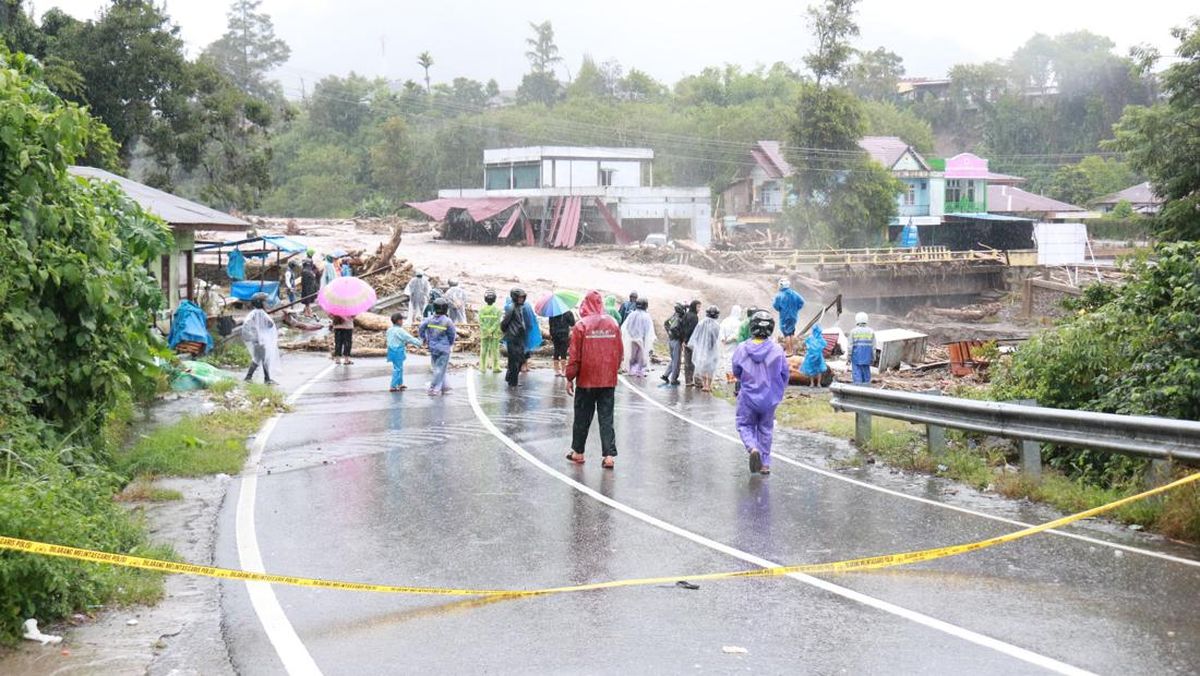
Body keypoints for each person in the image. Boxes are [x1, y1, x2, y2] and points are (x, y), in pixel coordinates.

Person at [565, 290, 624, 469]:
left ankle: (578, 452)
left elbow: (574, 356)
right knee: (607, 418)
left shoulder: (581, 325)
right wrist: (613, 370)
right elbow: (619, 352)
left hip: (586, 380)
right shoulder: (613, 323)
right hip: (607, 379)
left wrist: (570, 377)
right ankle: (609, 456)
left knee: (582, 417)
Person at [731, 312, 789, 475]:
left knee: (744, 424)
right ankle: (765, 464)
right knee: (766, 429)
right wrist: (777, 390)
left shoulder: (742, 348)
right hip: (770, 398)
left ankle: (753, 448)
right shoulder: (777, 349)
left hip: (748, 396)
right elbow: (785, 373)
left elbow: (736, 371)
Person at [419, 297, 456, 396]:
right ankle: (434, 388)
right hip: (444, 349)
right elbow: (452, 335)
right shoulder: (447, 321)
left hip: (433, 348)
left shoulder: (429, 319)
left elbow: (421, 327)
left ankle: (444, 386)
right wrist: (450, 344)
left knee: (437, 368)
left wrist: (424, 338)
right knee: (440, 369)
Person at [241, 293, 279, 385]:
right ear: (260, 303)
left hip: (256, 339)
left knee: (261, 358)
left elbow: (247, 325)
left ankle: (263, 378)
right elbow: (270, 324)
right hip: (259, 339)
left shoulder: (253, 313)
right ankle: (256, 378)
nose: (266, 304)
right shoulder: (260, 313)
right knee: (261, 358)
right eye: (264, 302)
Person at [688, 305, 723, 392]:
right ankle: (709, 386)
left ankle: (704, 385)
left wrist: (697, 346)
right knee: (711, 368)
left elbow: (696, 336)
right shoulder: (717, 325)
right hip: (713, 349)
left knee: (703, 366)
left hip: (702, 350)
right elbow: (718, 339)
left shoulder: (701, 323)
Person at [386, 311, 423, 391]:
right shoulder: (400, 330)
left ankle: (400, 383)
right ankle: (393, 386)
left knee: (398, 367)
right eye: (402, 320)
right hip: (397, 350)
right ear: (399, 321)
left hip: (391, 350)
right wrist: (419, 343)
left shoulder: (389, 330)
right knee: (398, 369)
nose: (402, 322)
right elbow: (408, 338)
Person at [501, 288, 529, 387]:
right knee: (515, 361)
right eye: (519, 297)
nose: (521, 299)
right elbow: (504, 323)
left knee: (520, 359)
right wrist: (509, 332)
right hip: (513, 338)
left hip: (518, 338)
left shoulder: (518, 307)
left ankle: (510, 378)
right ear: (515, 297)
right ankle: (513, 382)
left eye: (522, 297)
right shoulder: (511, 308)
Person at [621, 298, 655, 377]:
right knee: (641, 355)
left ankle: (631, 370)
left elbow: (627, 326)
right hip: (642, 339)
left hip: (633, 338)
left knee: (632, 355)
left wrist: (632, 335)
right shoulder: (646, 316)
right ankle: (639, 371)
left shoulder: (632, 314)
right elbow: (648, 328)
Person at [772, 278, 805, 355]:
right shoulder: (794, 293)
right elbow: (802, 302)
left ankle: (788, 351)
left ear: (781, 285)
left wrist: (780, 309)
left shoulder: (779, 295)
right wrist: (796, 309)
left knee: (786, 334)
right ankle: (792, 351)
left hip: (784, 317)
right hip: (794, 316)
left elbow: (776, 306)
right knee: (792, 333)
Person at [660, 302, 686, 387]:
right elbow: (674, 328)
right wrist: (680, 337)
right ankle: (674, 379)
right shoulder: (679, 318)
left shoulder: (674, 316)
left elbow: (666, 323)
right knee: (676, 361)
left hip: (671, 340)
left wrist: (669, 333)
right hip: (676, 341)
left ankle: (665, 375)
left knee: (673, 359)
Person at [478, 290, 502, 374]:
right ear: (494, 299)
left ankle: (482, 367)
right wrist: (491, 330)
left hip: (484, 333)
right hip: (494, 334)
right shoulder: (498, 310)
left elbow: (481, 322)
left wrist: (486, 330)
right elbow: (497, 322)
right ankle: (495, 367)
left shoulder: (481, 310)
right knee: (495, 350)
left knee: (483, 350)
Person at [850, 312, 876, 385]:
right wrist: (873, 358)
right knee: (866, 374)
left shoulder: (853, 332)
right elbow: (873, 347)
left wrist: (848, 357)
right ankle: (866, 389)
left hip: (856, 357)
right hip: (867, 357)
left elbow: (850, 346)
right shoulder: (871, 331)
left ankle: (857, 388)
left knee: (857, 374)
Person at [549, 309, 576, 378]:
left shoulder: (552, 313)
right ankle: (563, 371)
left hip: (555, 334)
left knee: (556, 351)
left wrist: (551, 334)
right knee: (563, 352)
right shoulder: (567, 312)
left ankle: (556, 371)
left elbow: (550, 325)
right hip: (564, 334)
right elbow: (572, 323)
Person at [681, 300, 701, 387]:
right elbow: (692, 330)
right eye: (698, 307)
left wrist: (683, 340)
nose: (699, 309)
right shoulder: (694, 317)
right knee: (693, 361)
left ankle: (687, 380)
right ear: (694, 307)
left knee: (687, 362)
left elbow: (683, 327)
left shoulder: (686, 314)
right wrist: (688, 340)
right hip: (691, 342)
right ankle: (693, 379)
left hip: (685, 341)